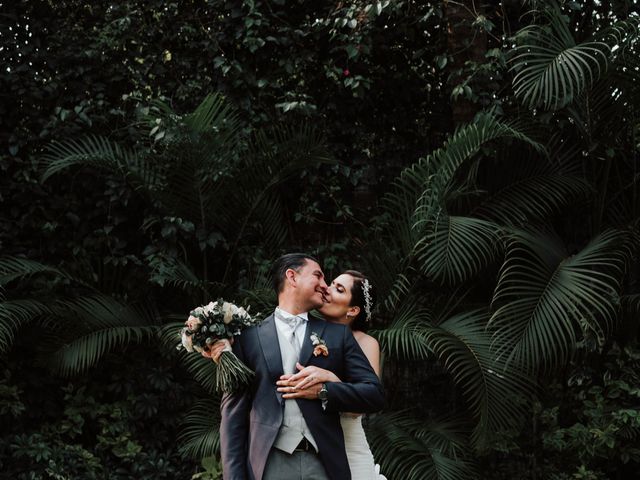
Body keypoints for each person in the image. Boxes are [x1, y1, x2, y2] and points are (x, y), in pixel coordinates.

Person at [206, 253, 384, 480]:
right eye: (318, 276)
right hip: (269, 463)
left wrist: (324, 389)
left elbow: (374, 394)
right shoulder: (248, 338)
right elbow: (233, 417)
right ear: (292, 276)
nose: (324, 286)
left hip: (325, 463)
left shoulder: (338, 335)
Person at [277, 270, 386, 480]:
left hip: (348, 447)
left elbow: (364, 404)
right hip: (309, 451)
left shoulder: (366, 343)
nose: (327, 289)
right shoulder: (303, 331)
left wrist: (330, 380)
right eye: (332, 283)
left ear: (353, 309)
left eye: (339, 289)